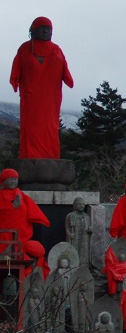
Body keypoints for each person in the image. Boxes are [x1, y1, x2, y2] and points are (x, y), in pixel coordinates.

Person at [10, 16, 73, 159]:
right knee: (31, 128)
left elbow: (66, 73)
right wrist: (15, 82)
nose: (45, 31)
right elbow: (16, 70)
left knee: (50, 128)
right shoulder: (25, 49)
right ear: (33, 30)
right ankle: (28, 157)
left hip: (51, 100)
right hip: (31, 98)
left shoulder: (57, 50)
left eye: (48, 29)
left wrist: (68, 80)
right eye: (42, 28)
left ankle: (51, 158)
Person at [0, 169, 50, 266]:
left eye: (15, 179)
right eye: (10, 179)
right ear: (4, 180)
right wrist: (11, 207)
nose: (13, 181)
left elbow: (32, 209)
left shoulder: (21, 195)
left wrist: (40, 219)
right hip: (4, 233)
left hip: (21, 234)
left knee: (35, 250)